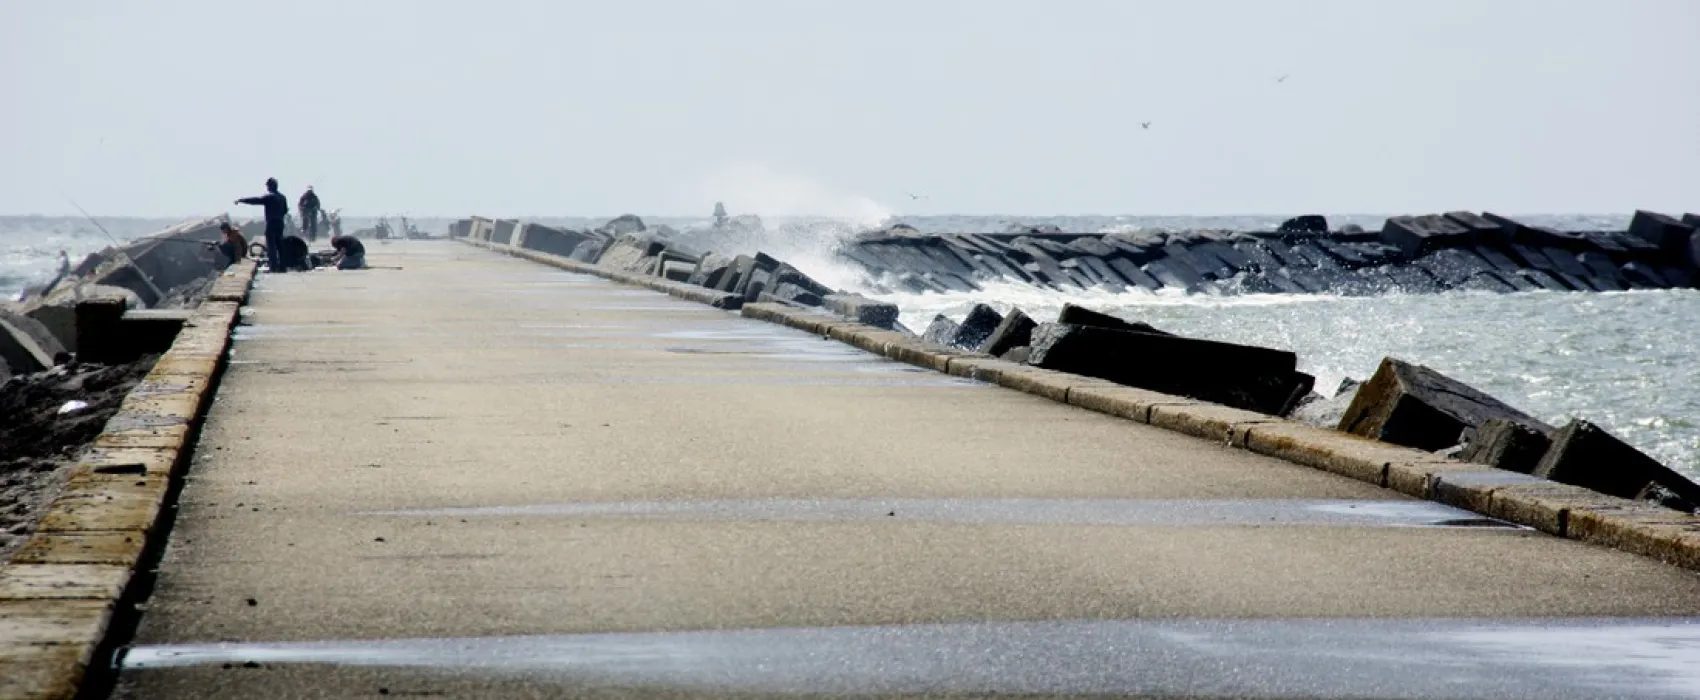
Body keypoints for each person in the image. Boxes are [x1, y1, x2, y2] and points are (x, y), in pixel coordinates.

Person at [236, 178, 289, 272]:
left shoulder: (270, 196)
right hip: (280, 223)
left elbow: (256, 200)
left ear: (270, 186)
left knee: (271, 245)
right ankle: (283, 267)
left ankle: (273, 267)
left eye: (267, 186)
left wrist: (242, 200)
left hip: (271, 223)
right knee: (280, 245)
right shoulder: (282, 197)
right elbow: (285, 210)